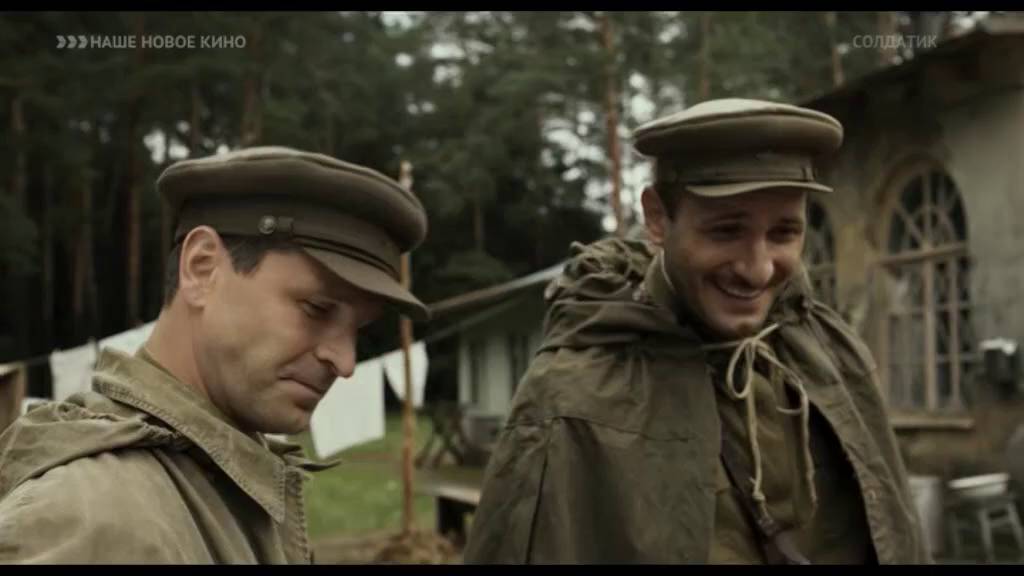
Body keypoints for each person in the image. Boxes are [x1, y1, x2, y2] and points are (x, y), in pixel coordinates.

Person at [463, 99, 929, 564]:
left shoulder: (828, 353)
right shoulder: (571, 395)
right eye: (726, 232)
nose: (758, 269)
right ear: (658, 218)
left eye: (784, 233)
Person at [0, 146, 429, 563]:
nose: (346, 362)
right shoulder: (94, 519)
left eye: (358, 329)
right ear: (202, 268)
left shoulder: (223, 477)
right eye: (317, 309)